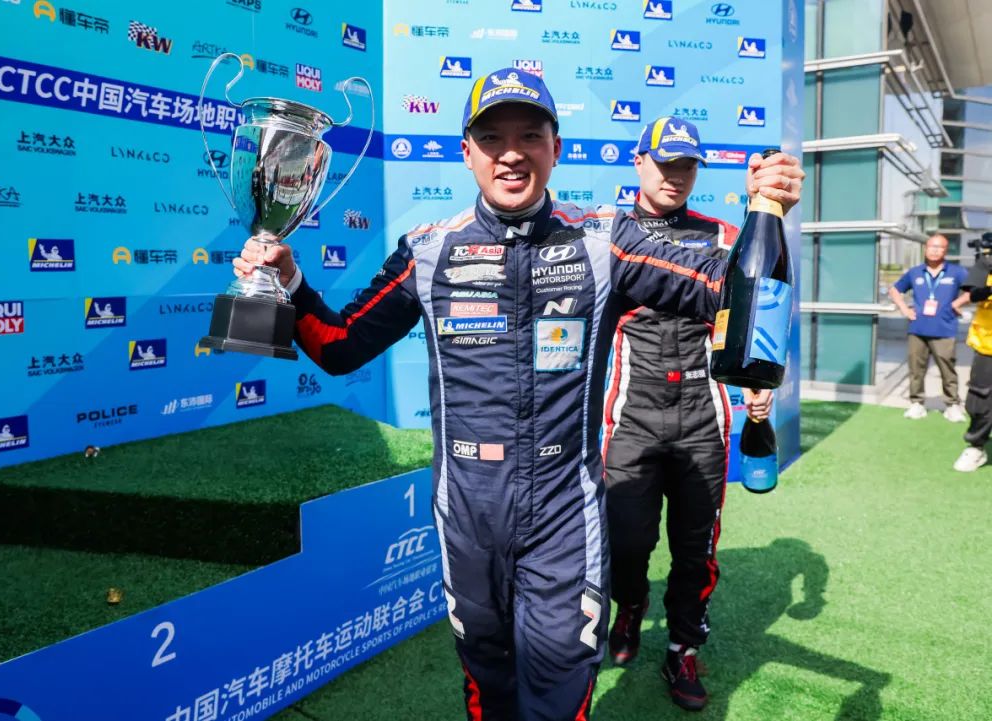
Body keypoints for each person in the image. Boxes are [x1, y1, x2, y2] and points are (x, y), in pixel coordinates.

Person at [232, 69, 805, 720]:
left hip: (564, 515)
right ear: (466, 152)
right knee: (490, 683)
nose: (511, 153)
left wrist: (767, 213)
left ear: (555, 148)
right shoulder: (427, 251)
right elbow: (338, 346)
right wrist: (290, 281)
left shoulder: (605, 242)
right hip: (466, 516)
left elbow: (733, 296)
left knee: (559, 691)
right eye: (492, 137)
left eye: (529, 135)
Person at [600, 115, 774, 712]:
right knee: (626, 541)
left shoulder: (723, 235)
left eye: (687, 166)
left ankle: (681, 648)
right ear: (638, 162)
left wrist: (757, 382)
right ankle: (629, 607)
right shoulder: (609, 235)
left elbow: (754, 312)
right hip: (632, 414)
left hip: (704, 415)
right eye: (664, 162)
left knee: (696, 549)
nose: (675, 175)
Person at [888, 234, 968, 422]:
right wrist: (904, 308)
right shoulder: (915, 272)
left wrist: (958, 303)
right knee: (916, 369)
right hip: (917, 329)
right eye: (931, 246)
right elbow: (894, 290)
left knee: (947, 369)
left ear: (945, 251)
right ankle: (917, 403)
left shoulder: (957, 272)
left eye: (939, 247)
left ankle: (952, 405)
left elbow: (974, 290)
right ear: (925, 249)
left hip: (944, 329)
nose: (934, 250)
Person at [953, 231, 992, 471]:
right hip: (988, 345)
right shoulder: (986, 263)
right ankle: (976, 446)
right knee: (980, 399)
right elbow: (974, 291)